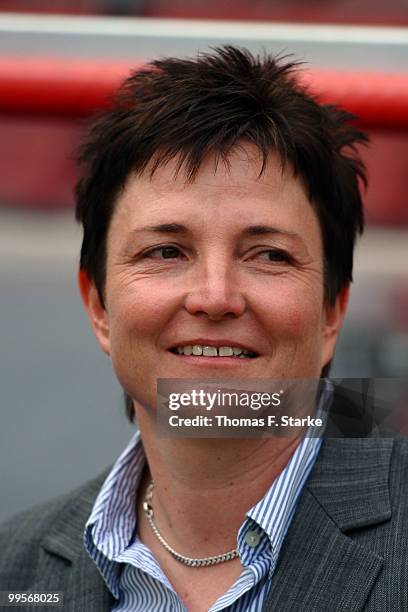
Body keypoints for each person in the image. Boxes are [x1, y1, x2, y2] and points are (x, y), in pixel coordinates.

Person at [0, 46, 407, 612]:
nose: (215, 296)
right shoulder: (12, 572)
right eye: (166, 251)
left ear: (331, 313)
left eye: (268, 255)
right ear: (99, 307)